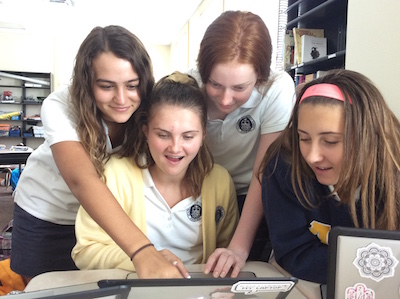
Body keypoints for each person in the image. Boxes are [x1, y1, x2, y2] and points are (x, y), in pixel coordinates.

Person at [10, 25, 184, 283]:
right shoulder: (59, 106)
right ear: (86, 83)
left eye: (132, 85)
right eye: (106, 86)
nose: (122, 99)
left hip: (103, 224)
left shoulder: (150, 108)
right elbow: (83, 180)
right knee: (44, 288)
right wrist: (143, 250)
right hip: (49, 216)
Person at [71, 72, 239, 271]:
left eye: (188, 136)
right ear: (146, 132)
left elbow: (226, 249)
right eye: (163, 135)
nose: (175, 148)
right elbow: (86, 251)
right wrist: (144, 259)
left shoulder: (219, 182)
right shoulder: (115, 175)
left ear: (203, 135)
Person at [261, 69, 400, 284]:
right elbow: (293, 253)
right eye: (303, 138)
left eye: (331, 141)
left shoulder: (394, 174)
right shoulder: (283, 167)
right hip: (310, 282)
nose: (312, 156)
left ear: (367, 138)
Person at [192, 11, 295, 277]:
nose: (225, 100)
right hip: (200, 190)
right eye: (215, 84)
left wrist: (238, 247)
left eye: (240, 88)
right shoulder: (187, 86)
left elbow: (265, 171)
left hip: (253, 193)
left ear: (259, 78)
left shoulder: (277, 88)